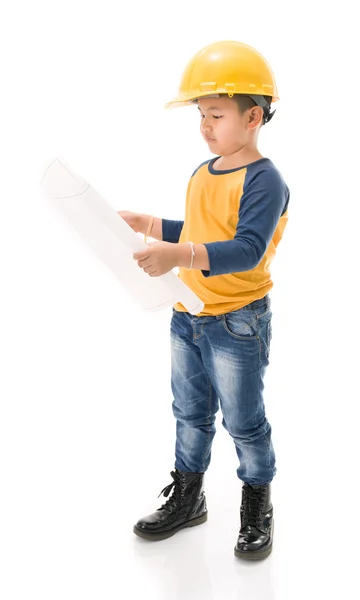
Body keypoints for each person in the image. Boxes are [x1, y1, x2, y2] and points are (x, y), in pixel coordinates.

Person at [118, 40, 290, 561]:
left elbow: (245, 249)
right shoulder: (202, 171)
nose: (205, 125)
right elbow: (198, 231)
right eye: (201, 115)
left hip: (237, 321)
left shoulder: (265, 179)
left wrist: (178, 254)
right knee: (189, 412)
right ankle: (189, 496)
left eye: (216, 114)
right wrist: (151, 226)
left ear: (253, 116)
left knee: (243, 420)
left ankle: (256, 500)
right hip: (188, 314)